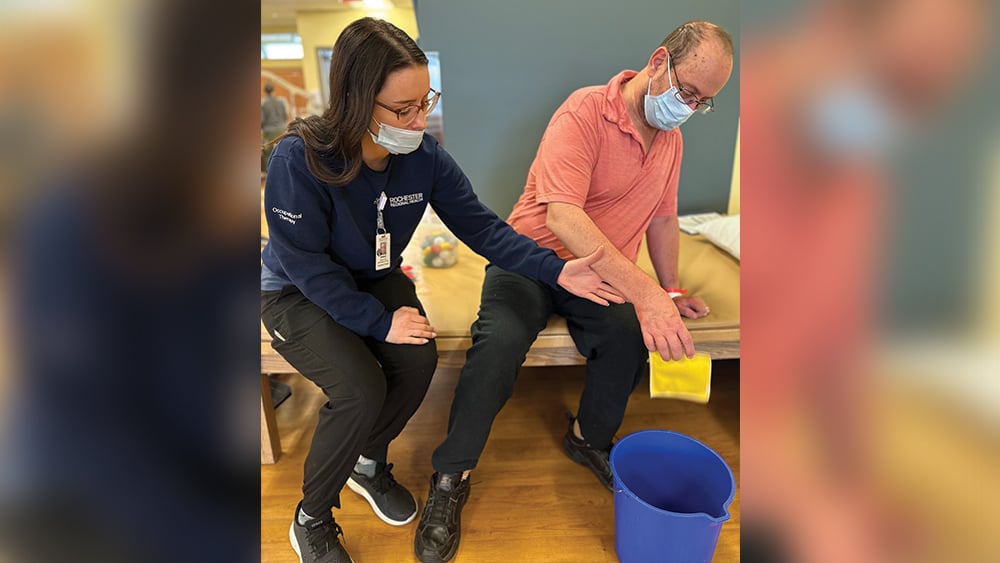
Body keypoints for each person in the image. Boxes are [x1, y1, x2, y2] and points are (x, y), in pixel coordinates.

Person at [259, 17, 621, 563]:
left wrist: (557, 270)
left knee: (419, 359)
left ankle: (367, 462)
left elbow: (484, 228)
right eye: (402, 110)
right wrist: (379, 322)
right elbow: (307, 267)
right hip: (294, 292)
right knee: (360, 388)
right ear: (357, 100)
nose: (419, 119)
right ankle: (311, 517)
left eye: (424, 101)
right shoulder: (299, 158)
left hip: (372, 279)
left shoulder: (423, 160)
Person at [414, 21, 734, 563]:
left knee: (627, 337)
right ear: (659, 61)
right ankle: (450, 477)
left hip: (601, 276)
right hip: (532, 261)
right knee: (499, 343)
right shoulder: (584, 112)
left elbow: (661, 218)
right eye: (687, 92)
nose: (688, 108)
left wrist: (669, 290)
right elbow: (563, 215)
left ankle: (587, 438)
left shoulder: (671, 141)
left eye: (703, 102)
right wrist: (645, 292)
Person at [261, 80, 288, 171]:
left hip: (270, 132)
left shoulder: (263, 103)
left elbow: (262, 120)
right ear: (273, 90)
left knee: (269, 154)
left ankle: (272, 176)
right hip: (282, 130)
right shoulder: (281, 101)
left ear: (264, 91)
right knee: (284, 152)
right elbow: (285, 116)